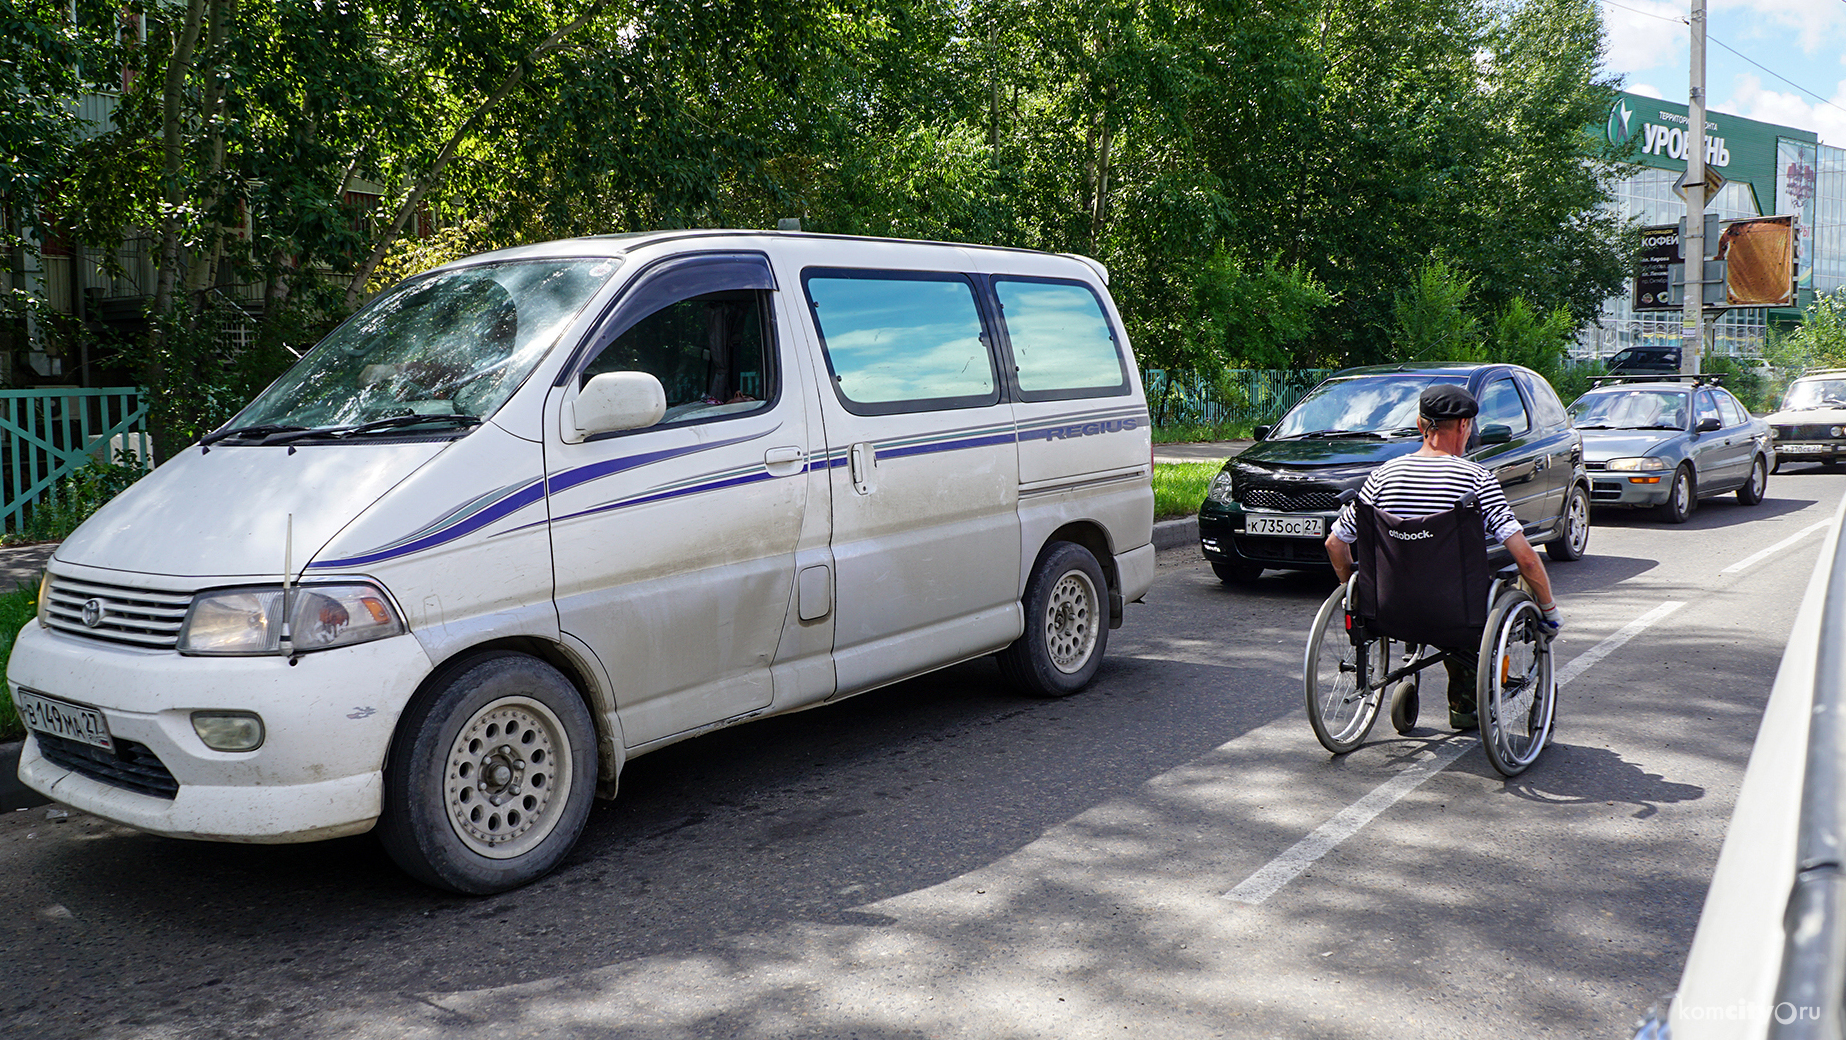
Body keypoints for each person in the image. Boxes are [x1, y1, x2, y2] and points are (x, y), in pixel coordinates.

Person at [1323, 383, 1563, 731]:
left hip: (1386, 610)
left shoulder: (1382, 477)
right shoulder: (1476, 479)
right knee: (1508, 583)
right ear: (1465, 426)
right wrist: (1550, 612)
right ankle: (1465, 706)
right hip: (1457, 614)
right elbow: (1526, 558)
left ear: (1422, 425)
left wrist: (1353, 590)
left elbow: (1334, 544)